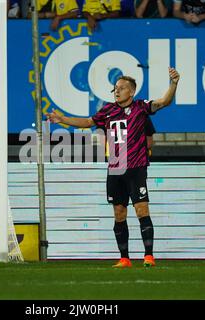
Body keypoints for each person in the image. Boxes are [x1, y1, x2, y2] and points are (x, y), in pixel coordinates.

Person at [47, 68, 180, 268]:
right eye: (115, 88)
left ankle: (148, 256)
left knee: (142, 210)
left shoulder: (140, 108)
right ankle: (124, 258)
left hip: (135, 168)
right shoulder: (107, 111)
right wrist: (62, 119)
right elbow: (87, 122)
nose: (117, 91)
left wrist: (174, 83)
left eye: (122, 88)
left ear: (132, 92)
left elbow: (164, 102)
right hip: (115, 169)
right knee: (119, 213)